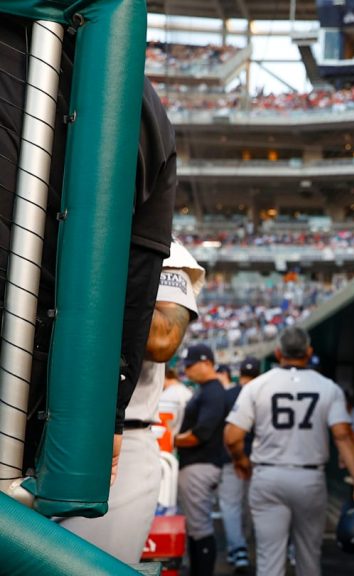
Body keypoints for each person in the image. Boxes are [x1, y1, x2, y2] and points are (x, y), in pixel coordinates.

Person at [0, 17, 177, 485]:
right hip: (31, 400)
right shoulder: (134, 95)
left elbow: (141, 279)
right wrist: (106, 416)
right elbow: (135, 283)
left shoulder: (132, 98)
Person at [61, 239, 204, 562]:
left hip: (121, 446)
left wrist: (97, 277)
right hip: (29, 434)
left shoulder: (165, 249)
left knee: (90, 566)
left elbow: (163, 339)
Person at [224, 326, 354, 576]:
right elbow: (343, 436)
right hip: (309, 478)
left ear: (278, 352)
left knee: (269, 561)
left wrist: (240, 460)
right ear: (309, 352)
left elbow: (232, 436)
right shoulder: (328, 387)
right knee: (308, 558)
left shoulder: (257, 385)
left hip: (268, 475)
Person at [175, 343, 229, 576]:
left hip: (201, 463)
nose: (187, 370)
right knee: (196, 528)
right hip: (198, 463)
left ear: (207, 362)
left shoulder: (213, 391)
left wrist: (172, 440)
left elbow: (201, 433)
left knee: (200, 528)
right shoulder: (206, 389)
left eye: (191, 365)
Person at [219, 355, 262, 572]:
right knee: (251, 507)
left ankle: (238, 549)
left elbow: (223, 431)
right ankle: (242, 544)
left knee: (231, 506)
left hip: (232, 459)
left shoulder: (228, 395)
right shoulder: (263, 392)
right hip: (258, 459)